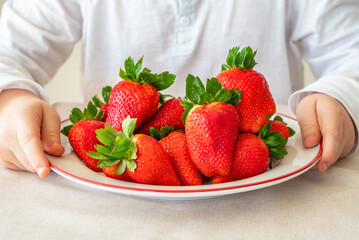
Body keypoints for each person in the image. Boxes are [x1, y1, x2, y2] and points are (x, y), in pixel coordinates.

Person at [0, 0, 357, 178]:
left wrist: (340, 96)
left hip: (272, 195)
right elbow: (8, 50)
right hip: (111, 199)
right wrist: (10, 101)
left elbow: (351, 51)